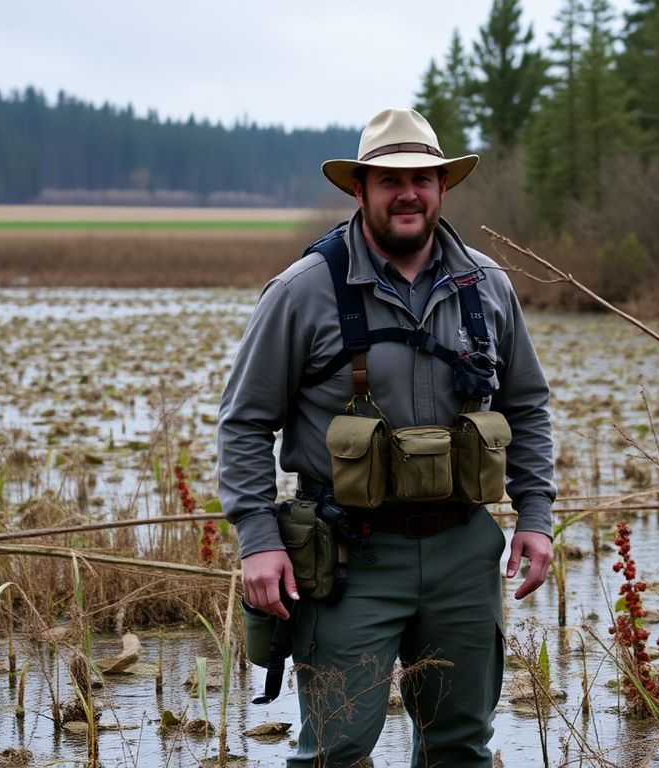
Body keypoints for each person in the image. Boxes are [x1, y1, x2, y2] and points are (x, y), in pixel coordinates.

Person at [217, 107, 556, 767]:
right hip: (351, 558)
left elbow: (527, 404)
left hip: (463, 551)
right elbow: (245, 422)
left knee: (461, 747)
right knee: (335, 751)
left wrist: (536, 516)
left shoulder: (488, 287)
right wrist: (258, 542)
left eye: (423, 178)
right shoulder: (302, 292)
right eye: (390, 179)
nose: (409, 192)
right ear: (360, 190)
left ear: (442, 188)